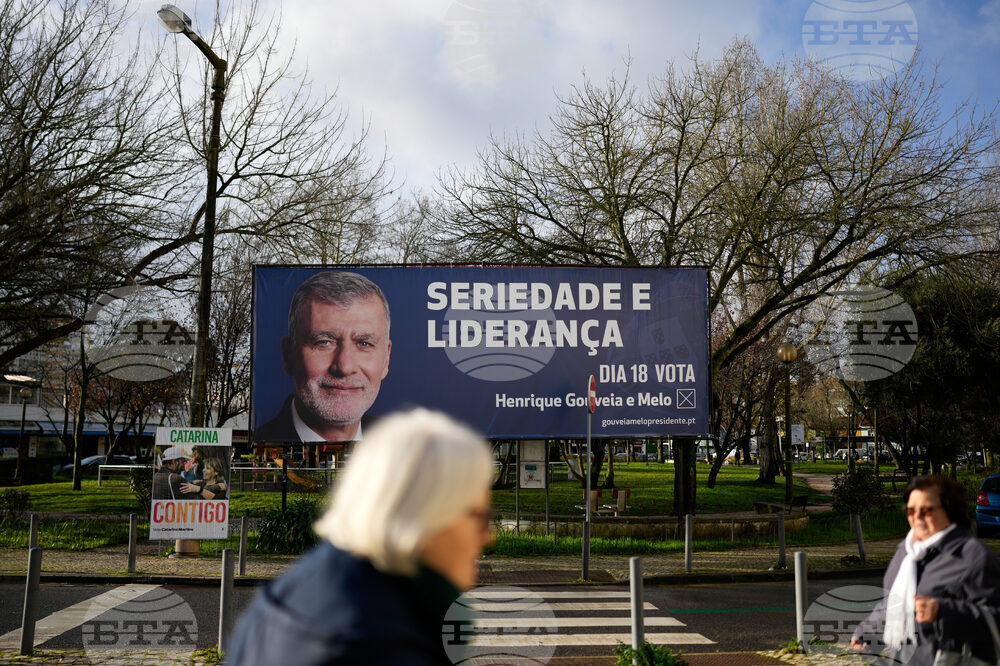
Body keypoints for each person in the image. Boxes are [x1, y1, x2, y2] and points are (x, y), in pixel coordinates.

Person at [227, 409, 495, 665]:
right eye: (480, 517)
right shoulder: (384, 648)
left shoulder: (297, 588)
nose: (487, 536)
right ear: (431, 513)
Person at [850, 475, 1000, 664]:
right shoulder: (906, 552)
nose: (917, 516)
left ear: (950, 510)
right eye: (911, 510)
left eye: (927, 510)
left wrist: (943, 612)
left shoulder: (973, 556)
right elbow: (894, 604)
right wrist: (866, 631)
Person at [255, 271, 391, 444]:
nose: (345, 367)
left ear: (386, 359)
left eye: (364, 344)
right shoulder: (262, 439)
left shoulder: (404, 450)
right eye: (324, 342)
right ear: (288, 354)